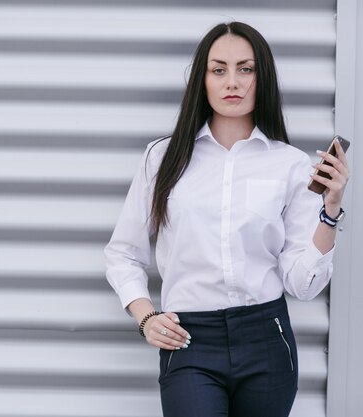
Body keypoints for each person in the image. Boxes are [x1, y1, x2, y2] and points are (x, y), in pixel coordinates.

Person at [104, 21, 349, 417]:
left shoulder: (289, 165)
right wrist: (145, 316)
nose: (232, 81)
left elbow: (302, 285)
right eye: (219, 69)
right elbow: (123, 254)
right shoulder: (162, 158)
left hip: (267, 340)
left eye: (245, 69)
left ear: (262, 77)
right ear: (202, 79)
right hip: (189, 340)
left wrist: (331, 208)